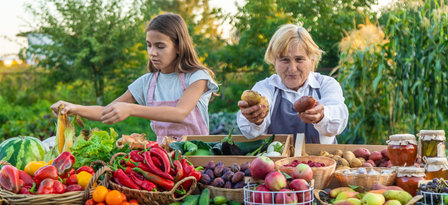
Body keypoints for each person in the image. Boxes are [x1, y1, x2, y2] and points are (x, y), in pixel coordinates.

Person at [51, 13, 219, 144]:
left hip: (198, 159)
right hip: (163, 160)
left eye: (160, 46)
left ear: (178, 47)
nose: (152, 52)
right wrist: (74, 108)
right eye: (149, 45)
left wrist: (131, 109)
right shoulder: (147, 83)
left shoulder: (197, 77)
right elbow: (106, 112)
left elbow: (180, 113)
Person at [237, 24, 348, 144]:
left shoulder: (326, 84)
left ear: (311, 61)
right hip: (276, 162)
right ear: (274, 62)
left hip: (323, 160)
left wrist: (321, 116)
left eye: (299, 59)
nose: (292, 69)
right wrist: (255, 118)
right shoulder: (265, 87)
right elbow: (250, 132)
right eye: (284, 60)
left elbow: (338, 117)